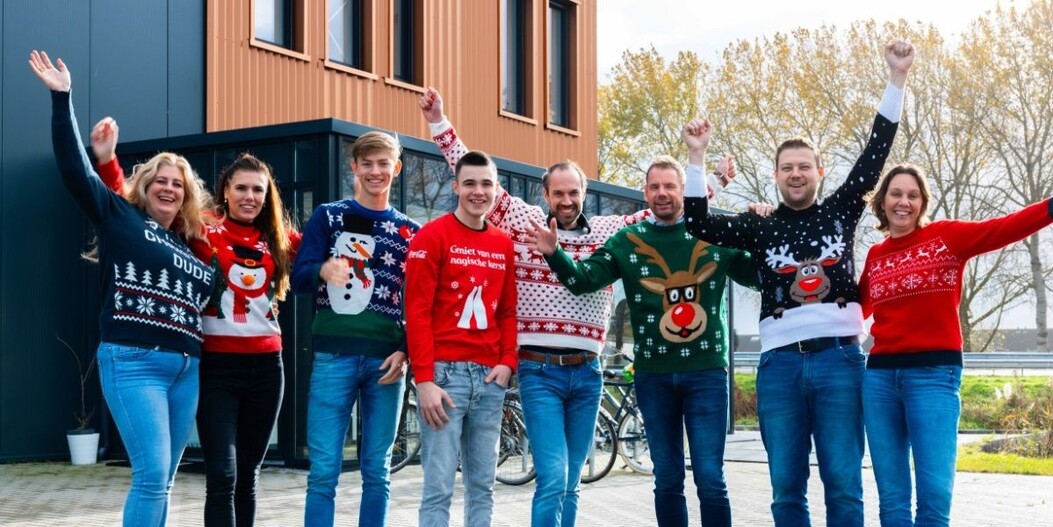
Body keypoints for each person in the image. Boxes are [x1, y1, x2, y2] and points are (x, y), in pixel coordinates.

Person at [418, 88, 732, 526]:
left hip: (587, 373)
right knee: (553, 474)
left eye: (574, 193)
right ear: (545, 194)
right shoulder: (521, 221)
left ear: (584, 192)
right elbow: (473, 171)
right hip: (539, 370)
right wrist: (439, 122)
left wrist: (712, 181)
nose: (566, 201)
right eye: (558, 193)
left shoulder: (610, 232)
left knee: (572, 483)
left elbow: (667, 210)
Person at [682, 40, 914, 526]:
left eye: (804, 166)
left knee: (845, 485)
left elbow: (877, 151)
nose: (795, 174)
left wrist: (897, 80)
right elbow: (697, 222)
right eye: (787, 168)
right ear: (776, 176)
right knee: (787, 490)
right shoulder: (759, 225)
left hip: (840, 361)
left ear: (818, 172)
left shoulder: (841, 208)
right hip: (781, 367)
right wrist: (697, 157)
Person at [30, 50, 214, 527]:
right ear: (145, 185)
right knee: (151, 476)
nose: (169, 188)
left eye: (178, 183)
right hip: (134, 361)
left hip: (185, 369)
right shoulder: (120, 217)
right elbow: (76, 172)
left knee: (165, 480)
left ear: (187, 195)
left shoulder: (190, 246)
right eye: (160, 180)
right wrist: (62, 99)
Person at [528, 154, 757, 527]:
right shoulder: (627, 241)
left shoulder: (716, 233)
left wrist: (764, 228)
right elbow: (584, 280)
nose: (662, 193)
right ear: (645, 192)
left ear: (685, 190)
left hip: (707, 375)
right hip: (654, 377)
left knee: (711, 480)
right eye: (655, 187)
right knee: (666, 480)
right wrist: (555, 254)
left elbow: (760, 276)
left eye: (670, 186)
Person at [93, 120, 301, 527]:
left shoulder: (279, 237)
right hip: (216, 366)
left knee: (248, 476)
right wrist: (108, 161)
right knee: (222, 473)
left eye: (258, 190)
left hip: (267, 368)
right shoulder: (201, 228)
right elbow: (130, 217)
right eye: (241, 187)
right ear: (225, 189)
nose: (249, 196)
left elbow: (318, 253)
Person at [859, 164, 1053, 526]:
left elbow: (1003, 228)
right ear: (882, 201)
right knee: (893, 500)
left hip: (934, 377)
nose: (904, 202)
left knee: (933, 499)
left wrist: (1050, 207)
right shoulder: (875, 256)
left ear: (922, 202)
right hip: (880, 381)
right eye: (896, 194)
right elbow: (856, 310)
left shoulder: (946, 238)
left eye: (912, 195)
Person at [291, 131, 419, 527]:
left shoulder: (411, 232)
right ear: (354, 167)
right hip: (334, 357)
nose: (375, 171)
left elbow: (417, 303)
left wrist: (407, 349)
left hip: (387, 362)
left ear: (396, 168)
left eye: (384, 163)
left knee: (377, 471)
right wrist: (322, 269)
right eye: (367, 163)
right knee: (324, 470)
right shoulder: (327, 216)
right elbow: (298, 278)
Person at [405, 150, 518, 527]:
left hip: (489, 380)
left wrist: (507, 363)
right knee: (438, 488)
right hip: (444, 379)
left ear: (496, 190)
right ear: (455, 186)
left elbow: (507, 311)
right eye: (469, 183)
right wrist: (424, 380)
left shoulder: (503, 244)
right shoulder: (431, 236)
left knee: (483, 487)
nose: (478, 191)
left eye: (486, 183)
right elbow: (417, 313)